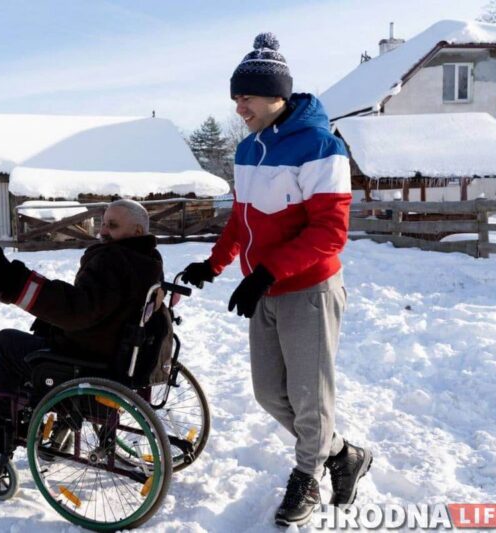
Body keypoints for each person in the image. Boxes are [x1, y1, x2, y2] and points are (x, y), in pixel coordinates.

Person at [180, 32, 372, 527]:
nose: (239, 107)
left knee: (311, 396)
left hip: (308, 289)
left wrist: (267, 271)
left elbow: (330, 233)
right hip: (264, 288)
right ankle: (342, 453)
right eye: (235, 98)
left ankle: (308, 475)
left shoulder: (320, 146)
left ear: (276, 95)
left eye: (246, 97)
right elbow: (241, 218)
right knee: (270, 393)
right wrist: (216, 263)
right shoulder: (248, 151)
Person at [0, 199, 165, 454]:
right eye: (103, 223)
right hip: (114, 348)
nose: (103, 231)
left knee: (6, 342)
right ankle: (44, 423)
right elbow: (96, 304)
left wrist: (16, 283)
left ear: (137, 232)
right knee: (41, 329)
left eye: (113, 225)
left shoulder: (114, 260)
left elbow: (78, 311)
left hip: (88, 356)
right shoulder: (148, 260)